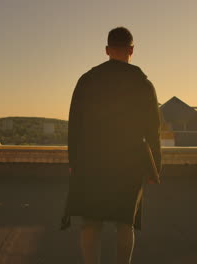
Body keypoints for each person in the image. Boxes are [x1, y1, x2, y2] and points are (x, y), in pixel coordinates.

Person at [60, 26, 162, 264]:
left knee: (91, 223)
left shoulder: (87, 80)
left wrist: (74, 162)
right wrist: (155, 167)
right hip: (129, 161)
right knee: (125, 223)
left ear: (107, 50)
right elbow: (152, 131)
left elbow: (74, 126)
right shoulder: (143, 84)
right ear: (131, 50)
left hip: (91, 161)